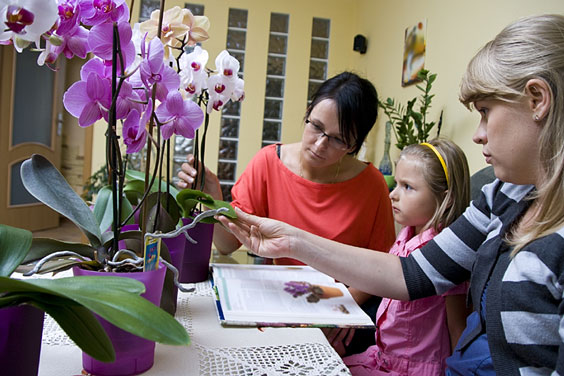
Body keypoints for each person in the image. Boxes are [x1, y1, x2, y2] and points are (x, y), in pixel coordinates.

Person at [217, 14, 564, 374]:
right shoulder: (502, 196)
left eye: (485, 112)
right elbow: (411, 273)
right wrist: (291, 241)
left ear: (537, 99)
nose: (477, 135)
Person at [178, 71, 397, 354]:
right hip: (281, 304)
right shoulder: (268, 163)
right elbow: (227, 243)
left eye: (337, 140)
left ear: (353, 145)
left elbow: (383, 267)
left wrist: (345, 308)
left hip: (339, 309)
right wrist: (213, 199)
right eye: (316, 126)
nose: (319, 145)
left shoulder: (372, 184)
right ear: (307, 113)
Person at [343, 139, 472, 375]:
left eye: (408, 187)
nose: (393, 194)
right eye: (396, 184)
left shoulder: (445, 254)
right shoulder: (407, 234)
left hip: (415, 369)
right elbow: (379, 278)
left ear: (446, 198)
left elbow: (458, 329)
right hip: (383, 358)